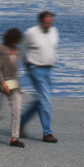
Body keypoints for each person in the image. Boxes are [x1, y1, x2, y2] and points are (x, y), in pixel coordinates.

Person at [19, 11, 59, 143]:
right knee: (46, 100)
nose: (49, 25)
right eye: (47, 23)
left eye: (51, 22)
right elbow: (23, 50)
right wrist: (27, 67)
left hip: (48, 69)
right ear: (40, 22)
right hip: (35, 69)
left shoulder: (54, 31)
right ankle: (47, 133)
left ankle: (21, 122)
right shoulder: (31, 33)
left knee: (41, 100)